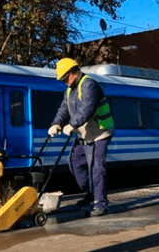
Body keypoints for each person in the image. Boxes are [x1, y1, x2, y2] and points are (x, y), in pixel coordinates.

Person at [48, 58, 115, 217]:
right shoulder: (70, 90)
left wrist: (72, 124)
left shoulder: (89, 84)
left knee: (96, 168)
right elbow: (63, 109)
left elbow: (87, 108)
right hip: (84, 133)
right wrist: (56, 123)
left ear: (73, 73)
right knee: (75, 163)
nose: (64, 82)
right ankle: (91, 193)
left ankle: (100, 204)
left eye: (65, 78)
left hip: (100, 132)